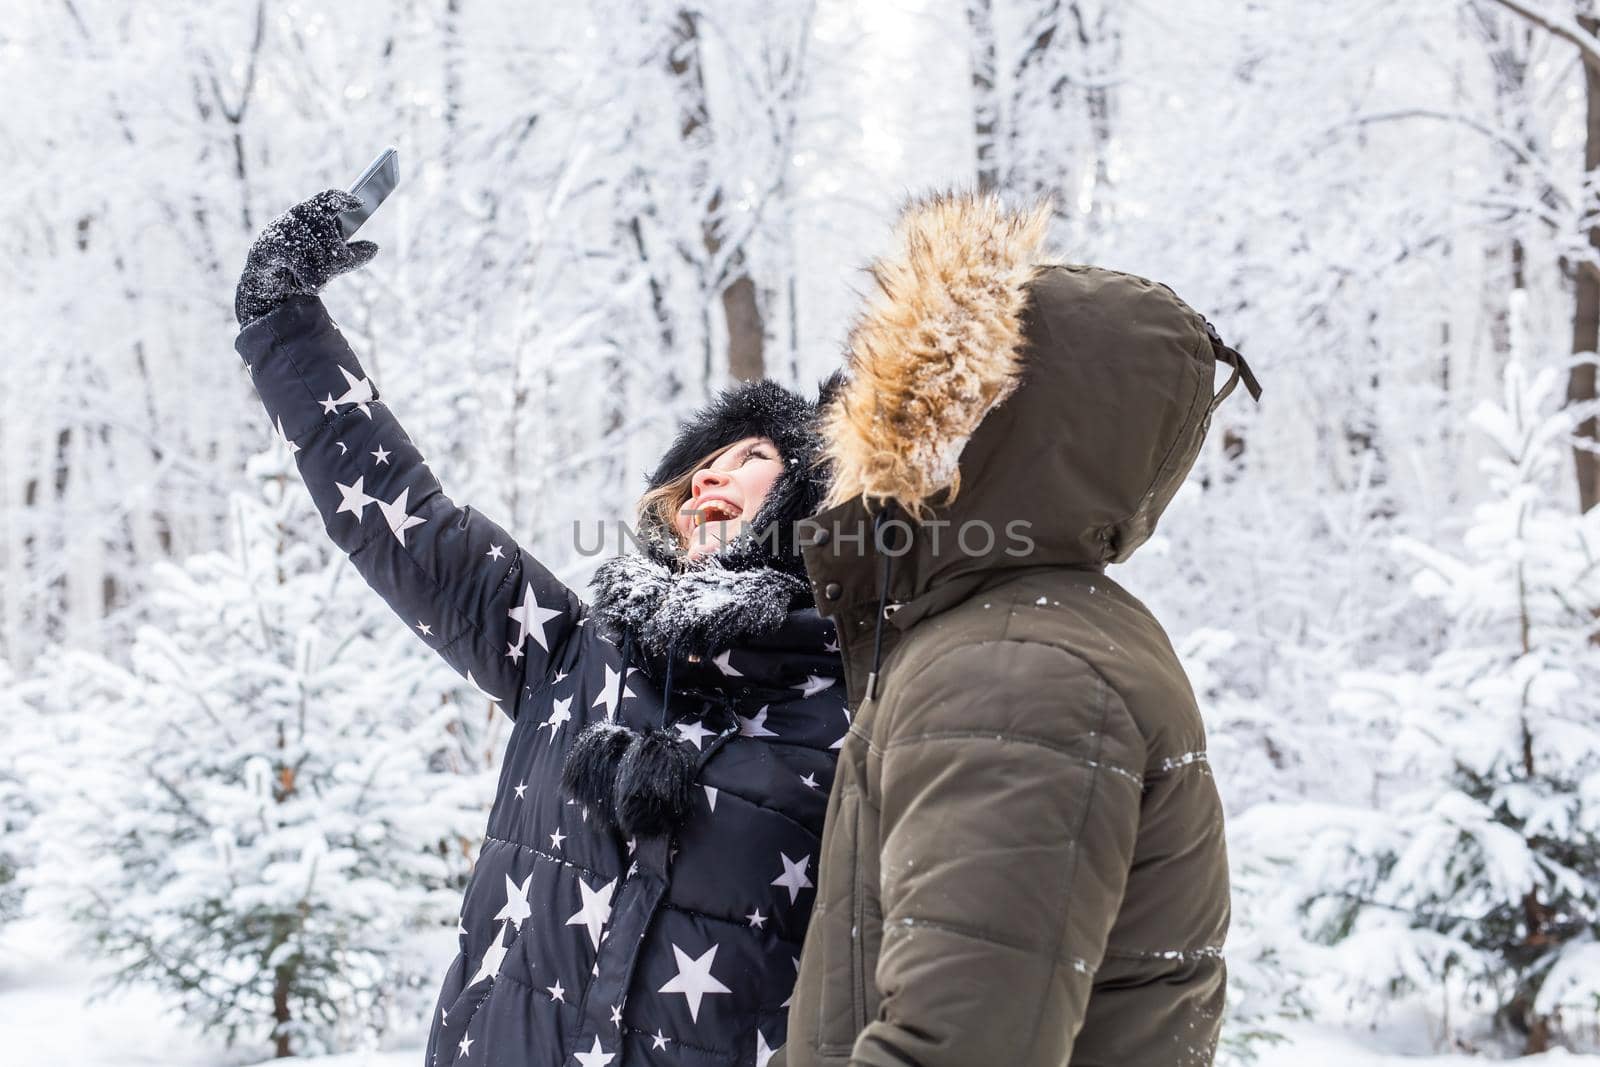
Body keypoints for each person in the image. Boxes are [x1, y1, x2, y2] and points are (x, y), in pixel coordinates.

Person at [232, 189, 849, 1066]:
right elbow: (412, 522)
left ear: (805, 501)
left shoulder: (852, 712)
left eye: (752, 458)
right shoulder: (571, 653)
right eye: (699, 466)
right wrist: (283, 326)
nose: (710, 479)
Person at [774, 191, 1260, 1066]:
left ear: (987, 424)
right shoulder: (1026, 636)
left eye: (916, 393)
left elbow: (951, 1047)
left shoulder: (1011, 670)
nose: (867, 420)